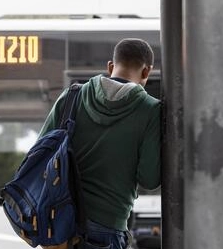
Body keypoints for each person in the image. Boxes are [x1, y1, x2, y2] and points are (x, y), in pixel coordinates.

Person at [39, 38, 161, 249]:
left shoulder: (71, 97)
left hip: (59, 224)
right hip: (108, 226)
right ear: (146, 72)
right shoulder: (150, 110)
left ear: (111, 66)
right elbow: (149, 178)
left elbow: (41, 155)